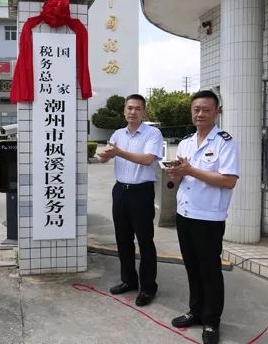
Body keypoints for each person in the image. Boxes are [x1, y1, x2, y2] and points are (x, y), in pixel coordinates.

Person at [166, 90, 239, 344]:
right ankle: (195, 312)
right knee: (192, 268)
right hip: (185, 213)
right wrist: (175, 174)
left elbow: (228, 180)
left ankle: (211, 321)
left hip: (209, 218)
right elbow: (180, 178)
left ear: (216, 112)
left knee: (209, 271)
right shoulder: (185, 142)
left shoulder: (225, 142)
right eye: (196, 109)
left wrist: (190, 170)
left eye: (206, 109)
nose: (200, 114)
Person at [98, 94, 163, 307]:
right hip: (121, 191)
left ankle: (148, 287)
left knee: (144, 241)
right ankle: (128, 280)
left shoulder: (153, 133)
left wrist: (118, 152)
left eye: (137, 108)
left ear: (144, 112)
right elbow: (106, 157)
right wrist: (105, 154)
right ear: (124, 111)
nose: (132, 112)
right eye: (129, 108)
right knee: (122, 238)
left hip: (141, 192)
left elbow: (147, 160)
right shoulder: (118, 133)